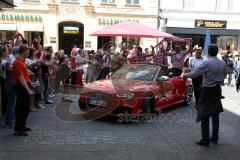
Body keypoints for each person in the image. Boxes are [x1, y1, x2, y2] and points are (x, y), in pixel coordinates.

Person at [183, 44, 227, 147]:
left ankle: (205, 140)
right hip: (217, 90)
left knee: (204, 114)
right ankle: (214, 138)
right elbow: (224, 75)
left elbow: (194, 74)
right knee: (215, 114)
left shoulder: (207, 63)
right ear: (216, 52)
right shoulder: (222, 63)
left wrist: (185, 75)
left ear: (208, 52)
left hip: (207, 90)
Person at [12, 45, 33, 136]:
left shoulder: (21, 62)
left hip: (24, 86)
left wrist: (30, 83)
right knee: (21, 108)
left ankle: (22, 125)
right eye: (28, 51)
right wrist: (28, 89)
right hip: (21, 87)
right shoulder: (17, 62)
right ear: (24, 52)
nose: (29, 53)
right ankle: (18, 128)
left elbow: (24, 75)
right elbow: (20, 78)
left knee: (25, 108)